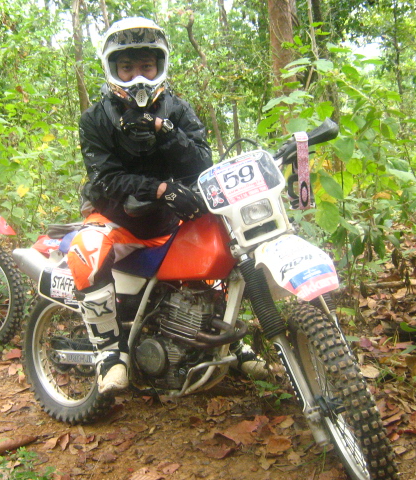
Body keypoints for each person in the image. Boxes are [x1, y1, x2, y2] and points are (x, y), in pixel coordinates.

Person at [67, 17, 264, 395]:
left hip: (172, 221)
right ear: (112, 68)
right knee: (85, 251)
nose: (137, 75)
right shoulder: (95, 118)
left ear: (160, 65)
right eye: (127, 66)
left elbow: (203, 163)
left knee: (226, 246)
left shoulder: (178, 110)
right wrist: (159, 188)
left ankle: (227, 340)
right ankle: (109, 353)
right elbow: (104, 178)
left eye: (146, 65)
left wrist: (166, 131)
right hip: (116, 218)